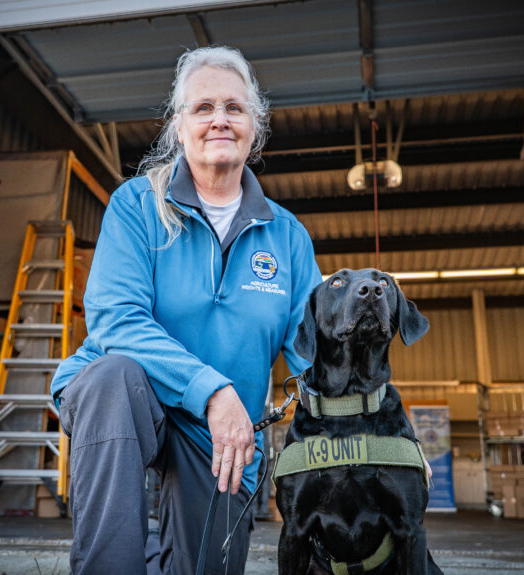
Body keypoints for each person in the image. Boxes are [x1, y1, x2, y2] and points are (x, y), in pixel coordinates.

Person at [50, 45, 321, 575]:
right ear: (180, 126)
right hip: (130, 402)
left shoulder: (287, 235)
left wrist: (378, 427)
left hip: (222, 438)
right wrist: (212, 391)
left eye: (234, 108)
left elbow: (314, 351)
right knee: (113, 378)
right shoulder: (136, 205)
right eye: (203, 108)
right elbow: (115, 321)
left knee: (204, 567)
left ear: (254, 127)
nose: (219, 119)